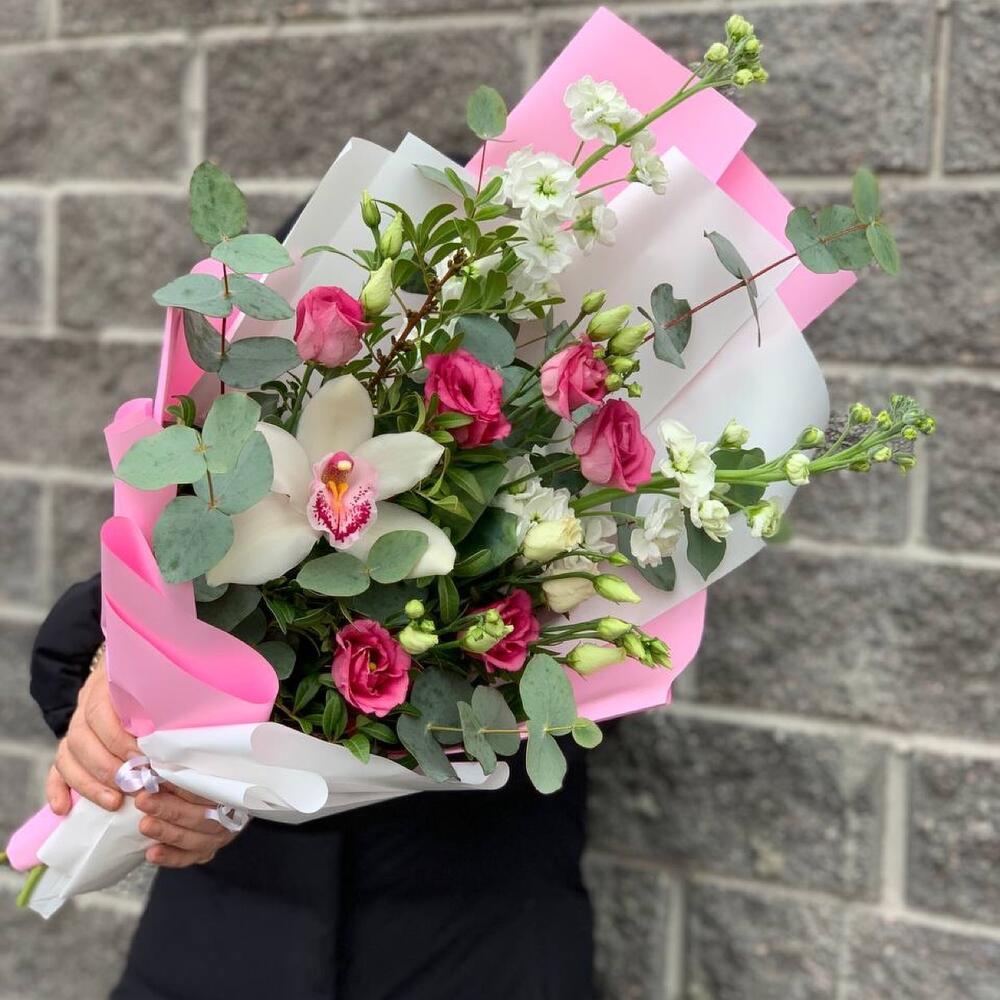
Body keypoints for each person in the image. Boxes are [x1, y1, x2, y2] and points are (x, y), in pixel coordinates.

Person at [28, 202, 593, 1000]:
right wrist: (129, 662)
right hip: (224, 950)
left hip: (476, 944)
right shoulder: (244, 498)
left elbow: (599, 686)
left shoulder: (551, 509)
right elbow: (103, 633)